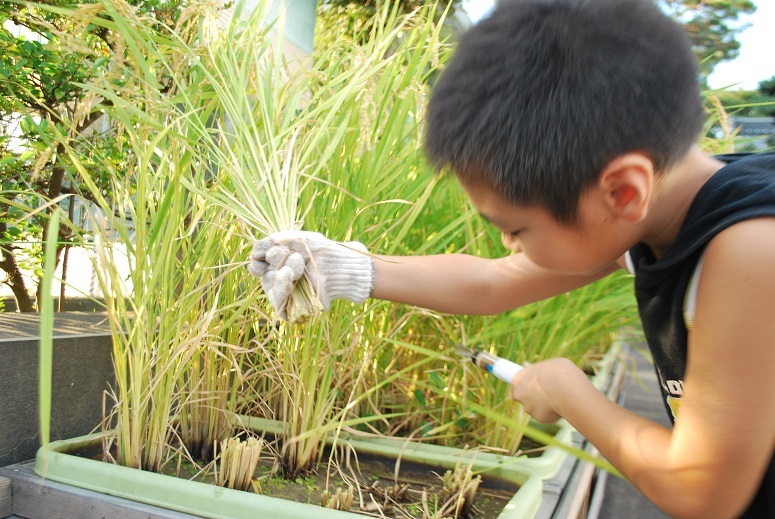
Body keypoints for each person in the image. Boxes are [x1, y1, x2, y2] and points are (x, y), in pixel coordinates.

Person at [247, 0, 775, 516]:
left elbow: (703, 490)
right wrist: (346, 267)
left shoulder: (751, 247)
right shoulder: (649, 216)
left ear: (622, 192)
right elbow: (493, 283)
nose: (508, 245)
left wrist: (566, 389)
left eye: (516, 228)